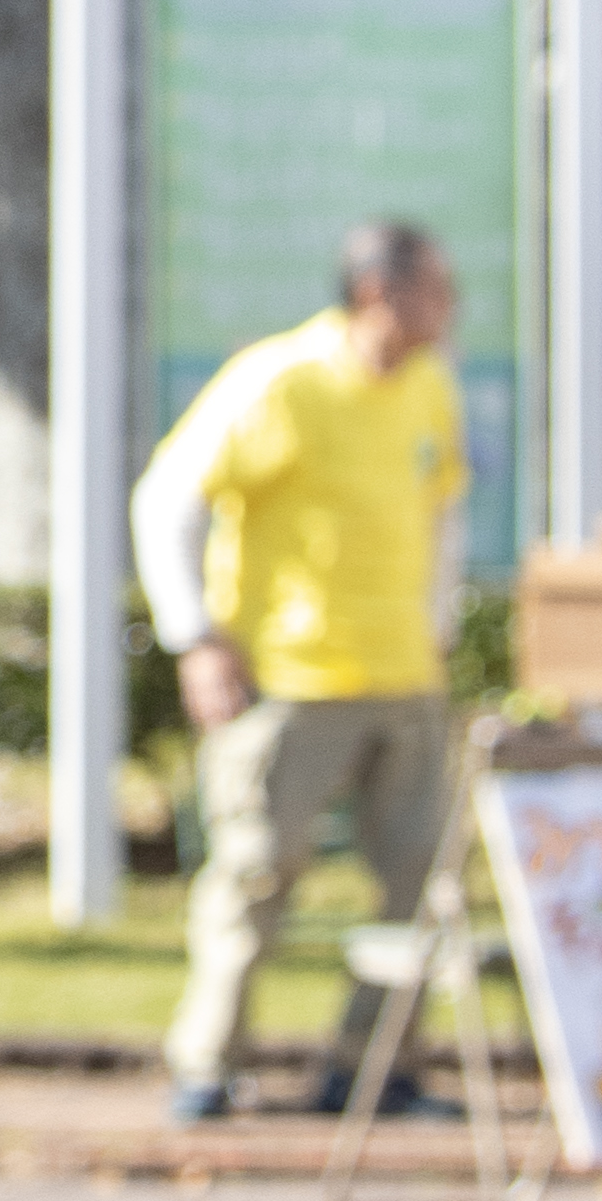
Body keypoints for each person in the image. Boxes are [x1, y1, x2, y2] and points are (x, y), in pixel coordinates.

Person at [135, 220, 467, 1125]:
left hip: (403, 676)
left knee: (414, 883)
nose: (451, 308)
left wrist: (437, 628)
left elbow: (442, 514)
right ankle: (207, 1065)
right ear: (377, 293)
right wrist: (195, 638)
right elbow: (167, 499)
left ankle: (375, 1069)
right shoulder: (279, 379)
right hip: (288, 678)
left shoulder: (429, 386)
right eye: (436, 290)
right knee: (254, 873)